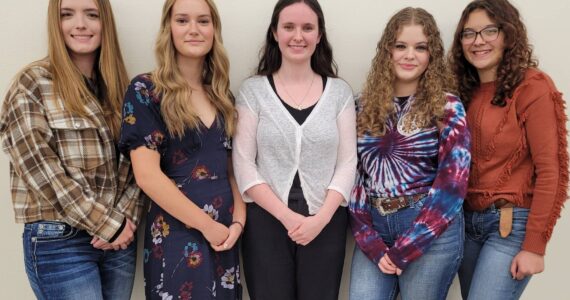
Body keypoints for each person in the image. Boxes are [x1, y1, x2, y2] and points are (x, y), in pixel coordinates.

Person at [0, 0, 143, 299]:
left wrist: (126, 219)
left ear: (105, 23)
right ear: (56, 22)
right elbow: (40, 171)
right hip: (60, 241)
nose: (80, 24)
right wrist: (105, 223)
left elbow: (138, 166)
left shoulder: (120, 91)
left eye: (91, 14)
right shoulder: (32, 84)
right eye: (68, 15)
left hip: (118, 242)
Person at [118, 0, 245, 299]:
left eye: (203, 21)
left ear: (214, 29)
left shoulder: (221, 94)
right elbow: (147, 177)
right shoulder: (146, 90)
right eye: (182, 20)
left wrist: (238, 222)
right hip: (177, 237)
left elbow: (230, 169)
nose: (193, 29)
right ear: (169, 29)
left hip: (224, 236)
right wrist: (206, 226)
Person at [232, 0, 357, 298]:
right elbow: (243, 163)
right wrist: (287, 217)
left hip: (325, 221)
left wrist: (321, 219)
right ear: (275, 32)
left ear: (319, 34)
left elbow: (348, 161)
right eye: (289, 27)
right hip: (265, 219)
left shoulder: (339, 93)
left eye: (307, 27)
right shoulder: (253, 91)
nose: (298, 36)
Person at [348, 7, 471, 300]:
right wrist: (371, 242)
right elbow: (353, 177)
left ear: (432, 55)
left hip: (429, 230)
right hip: (374, 228)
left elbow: (452, 186)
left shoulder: (448, 107)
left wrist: (408, 247)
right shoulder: (361, 106)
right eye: (400, 46)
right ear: (387, 51)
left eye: (420, 47)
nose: (409, 55)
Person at [449, 0, 569, 299]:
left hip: (509, 226)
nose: (478, 41)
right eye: (468, 34)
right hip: (466, 225)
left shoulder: (533, 86)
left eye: (489, 31)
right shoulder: (463, 92)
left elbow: (552, 170)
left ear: (508, 34)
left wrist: (534, 247)